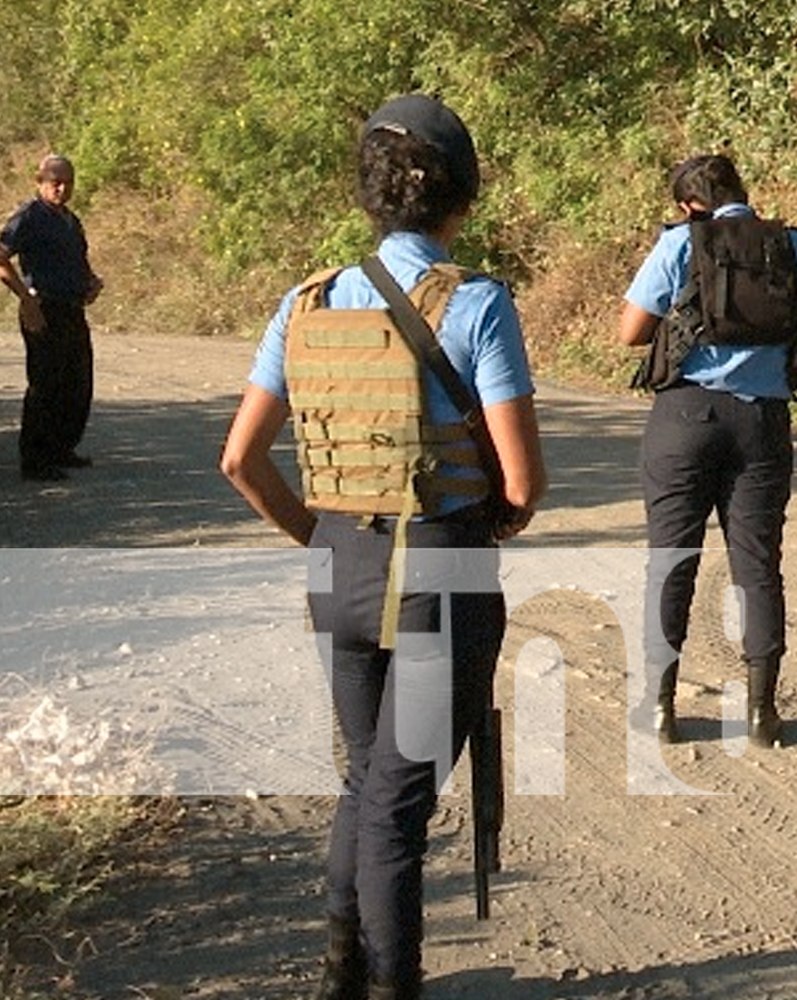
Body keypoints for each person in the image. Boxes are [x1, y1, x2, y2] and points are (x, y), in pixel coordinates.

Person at [221, 94, 545, 1000]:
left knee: (367, 782)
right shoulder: (477, 302)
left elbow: (240, 460)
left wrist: (317, 539)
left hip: (337, 564)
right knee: (398, 806)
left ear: (370, 192)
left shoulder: (307, 301)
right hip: (440, 566)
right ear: (462, 196)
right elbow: (522, 484)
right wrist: (493, 520)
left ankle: (342, 973)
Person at [619, 154, 797, 748]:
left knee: (672, 559)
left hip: (685, 416)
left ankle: (662, 709)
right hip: (762, 419)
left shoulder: (681, 243)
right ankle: (763, 715)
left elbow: (631, 330)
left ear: (690, 205)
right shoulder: (791, 245)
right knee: (758, 564)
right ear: (741, 192)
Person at [0, 154, 104, 481]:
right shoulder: (29, 216)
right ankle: (35, 460)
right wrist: (25, 299)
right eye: (55, 181)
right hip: (42, 309)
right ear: (40, 182)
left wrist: (90, 283)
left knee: (76, 382)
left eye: (67, 182)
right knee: (45, 384)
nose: (61, 188)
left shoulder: (71, 221)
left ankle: (61, 448)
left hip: (71, 309)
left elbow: (78, 262)